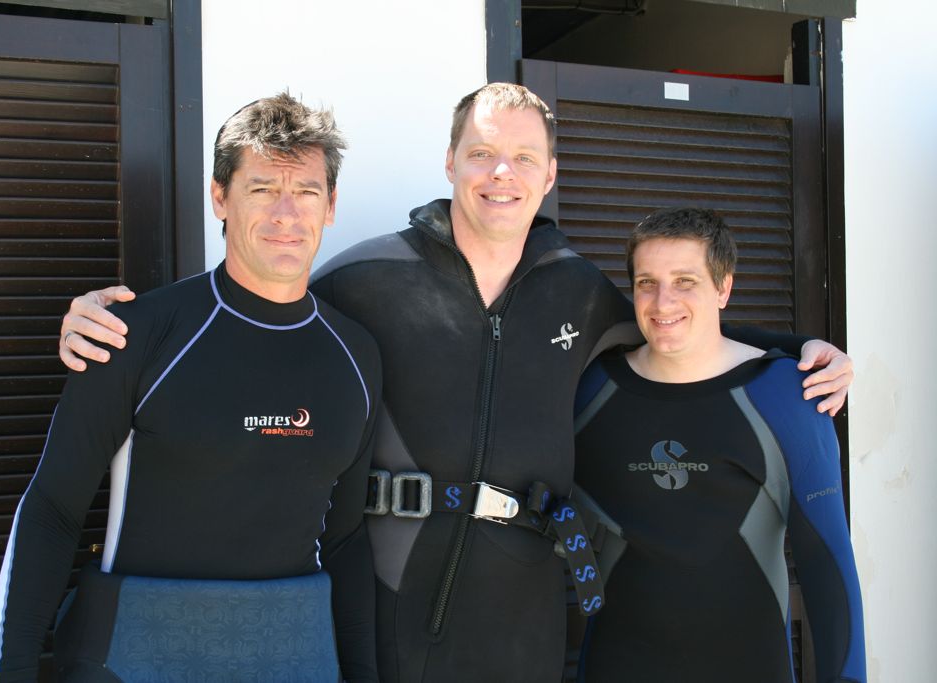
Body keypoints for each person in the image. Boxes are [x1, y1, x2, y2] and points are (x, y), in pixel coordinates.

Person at [57, 84, 854, 682]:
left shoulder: (577, 287)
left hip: (523, 610)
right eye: (481, 152)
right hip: (390, 595)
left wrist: (801, 347)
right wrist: (104, 318)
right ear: (450, 161)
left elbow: (677, 323)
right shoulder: (365, 275)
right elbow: (253, 301)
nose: (500, 172)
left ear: (549, 176)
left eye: (523, 158)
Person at [0, 94, 382, 683]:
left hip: (291, 653)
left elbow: (347, 540)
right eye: (261, 189)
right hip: (136, 653)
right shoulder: (135, 334)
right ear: (220, 196)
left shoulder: (356, 355)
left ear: (330, 206)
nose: (286, 213)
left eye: (305, 191)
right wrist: (12, 671)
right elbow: (52, 510)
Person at [573, 208, 865, 683]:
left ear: (723, 287)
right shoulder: (589, 390)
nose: (662, 301)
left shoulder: (788, 396)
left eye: (685, 281)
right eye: (647, 282)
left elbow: (828, 568)